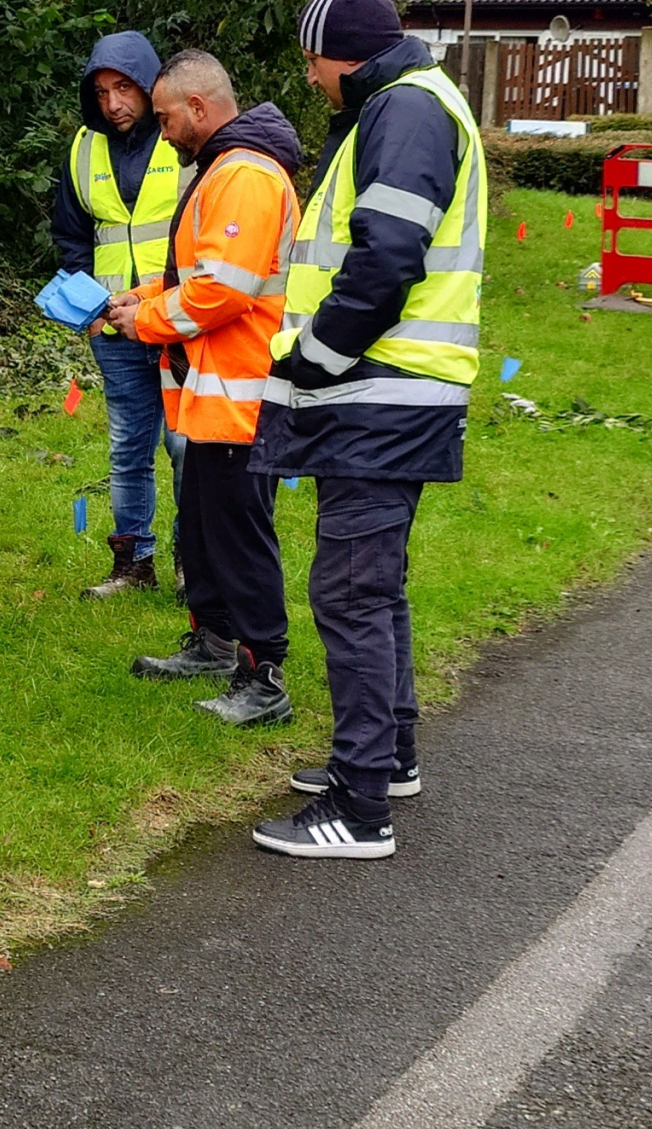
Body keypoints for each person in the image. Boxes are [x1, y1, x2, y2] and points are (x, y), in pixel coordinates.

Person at [246, 0, 488, 858]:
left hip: (382, 393)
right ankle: (388, 759)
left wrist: (314, 356)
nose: (309, 79)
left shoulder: (405, 108)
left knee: (349, 593)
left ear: (338, 55)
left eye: (312, 61)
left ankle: (359, 807)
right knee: (375, 590)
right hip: (399, 394)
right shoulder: (411, 100)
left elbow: (386, 256)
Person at [110, 51, 302, 727]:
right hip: (215, 395)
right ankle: (214, 644)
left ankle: (264, 675)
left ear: (197, 107)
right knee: (203, 531)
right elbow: (197, 273)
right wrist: (135, 299)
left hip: (244, 396)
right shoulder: (225, 168)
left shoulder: (245, 174)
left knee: (239, 539)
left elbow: (227, 288)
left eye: (165, 117)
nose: (161, 131)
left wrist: (150, 321)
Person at [50, 32, 189, 600]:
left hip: (180, 320)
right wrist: (89, 305)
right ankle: (133, 565)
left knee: (185, 446)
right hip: (113, 326)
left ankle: (192, 562)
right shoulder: (83, 148)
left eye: (124, 88)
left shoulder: (184, 138)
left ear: (149, 85)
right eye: (102, 91)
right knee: (128, 446)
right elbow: (71, 236)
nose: (113, 104)